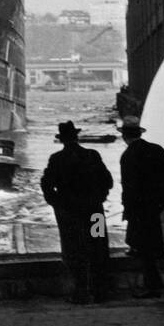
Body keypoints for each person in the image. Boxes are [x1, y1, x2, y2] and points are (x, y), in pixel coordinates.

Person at [40, 120, 113, 304]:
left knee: (74, 250)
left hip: (70, 214)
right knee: (98, 248)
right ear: (76, 136)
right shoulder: (92, 155)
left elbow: (47, 185)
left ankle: (80, 292)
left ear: (62, 139)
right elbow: (108, 181)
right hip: (95, 212)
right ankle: (100, 291)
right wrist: (99, 198)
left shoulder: (56, 159)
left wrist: (57, 204)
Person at [119, 116, 164, 299]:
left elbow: (129, 187)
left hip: (138, 208)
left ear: (124, 137)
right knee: (152, 244)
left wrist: (127, 209)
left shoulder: (128, 156)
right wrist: (158, 194)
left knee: (143, 249)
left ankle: (152, 286)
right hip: (155, 205)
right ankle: (154, 284)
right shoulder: (156, 150)